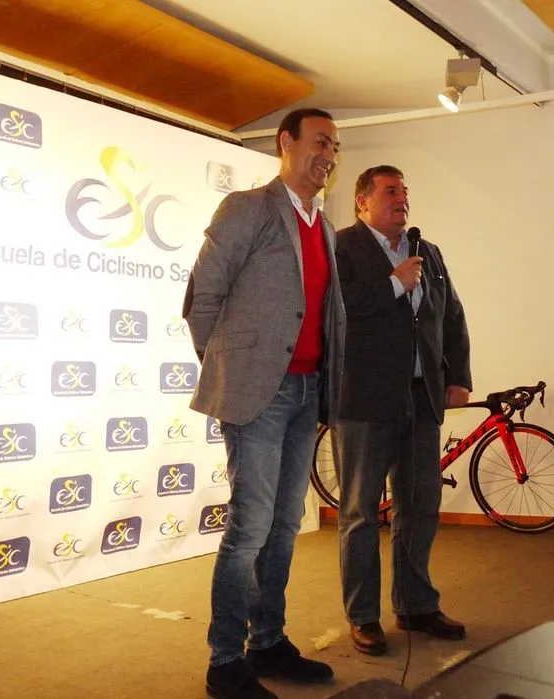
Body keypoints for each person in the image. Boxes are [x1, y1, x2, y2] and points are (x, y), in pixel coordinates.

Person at [183, 108, 345, 699]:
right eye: (320, 142)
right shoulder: (247, 208)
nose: (328, 155)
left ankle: (268, 642)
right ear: (286, 142)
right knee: (250, 525)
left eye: (335, 147)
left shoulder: (325, 226)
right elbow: (203, 294)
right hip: (260, 391)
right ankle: (225, 660)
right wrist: (228, 365)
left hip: (307, 391)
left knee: (283, 525)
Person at [332, 165, 472, 656]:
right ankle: (363, 616)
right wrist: (393, 283)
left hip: (420, 397)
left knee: (419, 505)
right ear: (362, 202)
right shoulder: (341, 247)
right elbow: (337, 307)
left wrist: (457, 375)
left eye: (405, 192)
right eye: (390, 191)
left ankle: (415, 604)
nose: (402, 199)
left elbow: (451, 314)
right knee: (360, 513)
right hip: (364, 399)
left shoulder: (426, 251)